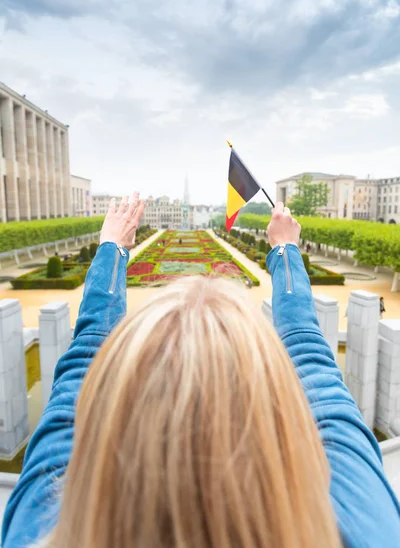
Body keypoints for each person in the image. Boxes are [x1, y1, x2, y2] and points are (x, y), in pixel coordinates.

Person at [2, 198, 400, 548]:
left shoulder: (37, 532)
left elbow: (77, 375)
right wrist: (284, 251)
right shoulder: (365, 529)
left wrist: (112, 250)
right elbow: (313, 357)